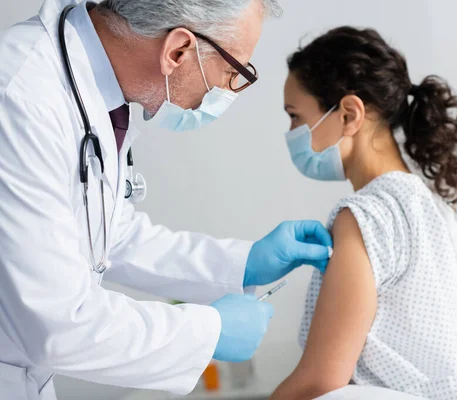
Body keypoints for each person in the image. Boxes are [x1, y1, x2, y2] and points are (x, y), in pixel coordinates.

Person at [0, 1, 334, 399]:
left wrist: (246, 263)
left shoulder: (96, 95)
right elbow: (53, 323)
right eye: (234, 72)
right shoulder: (22, 96)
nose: (230, 91)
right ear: (178, 50)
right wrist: (208, 331)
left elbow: (111, 234)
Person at [271, 27, 457, 400]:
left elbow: (320, 381)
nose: (291, 131)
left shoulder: (366, 216)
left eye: (294, 115)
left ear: (349, 114)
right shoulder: (433, 207)